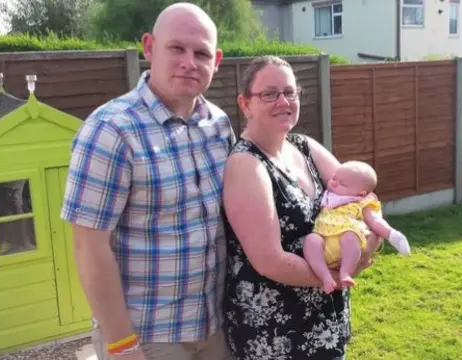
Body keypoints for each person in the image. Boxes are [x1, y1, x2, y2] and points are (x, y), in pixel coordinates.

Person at [60, 3, 234, 360]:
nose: (189, 61)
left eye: (201, 52)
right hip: (148, 337)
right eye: (176, 48)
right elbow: (89, 247)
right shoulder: (110, 130)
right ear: (149, 47)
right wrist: (122, 345)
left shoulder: (218, 125)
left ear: (216, 61)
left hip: (214, 328)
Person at [221, 55, 383, 359]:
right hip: (277, 334)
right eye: (269, 93)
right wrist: (337, 276)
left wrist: (366, 248)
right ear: (245, 104)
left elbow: (364, 197)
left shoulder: (304, 146)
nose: (283, 101)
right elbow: (270, 260)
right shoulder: (246, 164)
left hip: (324, 322)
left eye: (290, 92)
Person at [303, 160, 411, 294]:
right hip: (324, 242)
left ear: (360, 194)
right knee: (311, 239)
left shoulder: (361, 203)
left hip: (345, 245)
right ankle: (325, 276)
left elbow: (376, 221)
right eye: (334, 178)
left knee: (350, 235)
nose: (333, 183)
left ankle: (345, 272)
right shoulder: (329, 196)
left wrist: (393, 235)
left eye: (342, 184)